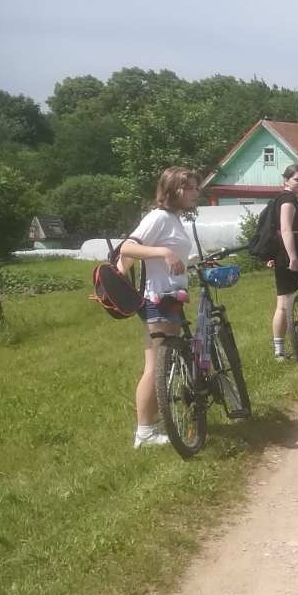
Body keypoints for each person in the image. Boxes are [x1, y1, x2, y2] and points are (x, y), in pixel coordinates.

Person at [118, 167, 201, 449]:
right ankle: (144, 432)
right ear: (173, 190)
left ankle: (150, 426)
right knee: (155, 367)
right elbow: (128, 248)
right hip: (158, 301)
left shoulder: (172, 218)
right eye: (190, 188)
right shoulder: (158, 217)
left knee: (161, 366)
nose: (195, 193)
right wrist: (164, 252)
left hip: (169, 298)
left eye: (196, 187)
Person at [266, 164, 298, 359]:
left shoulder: (280, 199)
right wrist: (293, 257)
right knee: (292, 301)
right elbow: (286, 229)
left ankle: (279, 350)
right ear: (286, 180)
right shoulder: (287, 200)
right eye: (297, 179)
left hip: (283, 252)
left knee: (284, 302)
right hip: (296, 252)